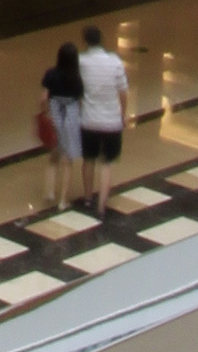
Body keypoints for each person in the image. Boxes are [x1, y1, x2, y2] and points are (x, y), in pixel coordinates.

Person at [74, 21, 131, 218]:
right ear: (102, 40)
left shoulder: (81, 62)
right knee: (106, 163)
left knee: (88, 159)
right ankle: (101, 205)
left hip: (89, 120)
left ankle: (88, 198)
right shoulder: (115, 62)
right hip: (111, 122)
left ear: (85, 41)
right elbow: (123, 92)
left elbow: (78, 91)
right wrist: (122, 115)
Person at [38, 36, 84, 215]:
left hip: (55, 115)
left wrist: (45, 112)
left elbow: (43, 98)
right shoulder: (77, 79)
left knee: (53, 157)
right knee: (68, 160)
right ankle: (63, 201)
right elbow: (80, 102)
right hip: (71, 117)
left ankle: (49, 191)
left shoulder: (50, 74)